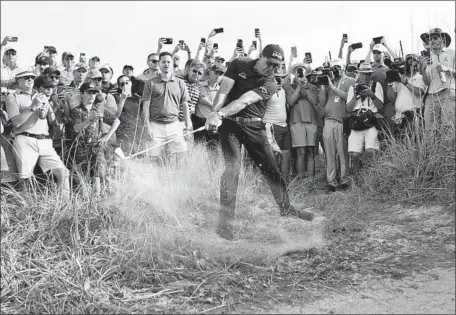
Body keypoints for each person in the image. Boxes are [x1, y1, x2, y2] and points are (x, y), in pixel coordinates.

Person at [205, 44, 315, 240]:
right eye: (269, 63)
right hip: (229, 126)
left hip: (254, 127)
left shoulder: (271, 82)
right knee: (232, 169)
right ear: (260, 56)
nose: (272, 69)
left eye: (276, 65)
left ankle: (286, 207)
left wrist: (219, 113)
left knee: (272, 169)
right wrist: (214, 114)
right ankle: (225, 224)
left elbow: (245, 101)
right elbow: (224, 90)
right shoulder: (239, 64)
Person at [4, 69, 70, 198]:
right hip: (25, 138)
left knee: (63, 172)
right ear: (18, 80)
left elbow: (48, 119)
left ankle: (65, 208)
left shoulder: (40, 95)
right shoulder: (13, 97)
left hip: (44, 140)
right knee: (26, 180)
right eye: (26, 77)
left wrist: (50, 108)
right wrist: (32, 107)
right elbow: (16, 123)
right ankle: (25, 211)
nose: (30, 79)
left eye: (32, 77)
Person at [66, 82, 120, 196]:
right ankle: (85, 203)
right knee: (83, 177)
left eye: (94, 93)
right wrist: (89, 120)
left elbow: (117, 121)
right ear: (82, 94)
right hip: (80, 148)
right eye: (88, 93)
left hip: (96, 147)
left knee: (98, 174)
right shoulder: (76, 111)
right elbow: (76, 128)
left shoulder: (98, 110)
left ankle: (98, 200)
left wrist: (107, 136)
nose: (91, 96)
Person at [141, 52, 191, 163]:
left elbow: (185, 105)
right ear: (159, 63)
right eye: (163, 62)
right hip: (155, 125)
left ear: (172, 63)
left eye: (169, 62)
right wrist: (147, 127)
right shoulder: (150, 83)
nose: (166, 64)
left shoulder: (180, 83)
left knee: (181, 158)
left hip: (174, 124)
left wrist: (187, 126)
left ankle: (176, 179)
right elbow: (145, 107)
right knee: (153, 159)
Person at [320, 59, 356, 191]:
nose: (336, 70)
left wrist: (333, 87)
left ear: (344, 68)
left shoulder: (350, 81)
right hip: (328, 120)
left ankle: (344, 179)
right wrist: (323, 86)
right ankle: (331, 181)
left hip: (342, 121)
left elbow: (349, 97)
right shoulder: (329, 81)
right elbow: (322, 102)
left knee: (342, 152)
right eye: (333, 68)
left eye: (338, 67)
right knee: (329, 153)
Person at [346, 63, 384, 176]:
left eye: (368, 74)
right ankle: (358, 178)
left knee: (370, 151)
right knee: (354, 154)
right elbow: (348, 108)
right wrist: (356, 95)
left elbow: (380, 106)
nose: (365, 77)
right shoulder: (353, 87)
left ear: (371, 75)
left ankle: (372, 175)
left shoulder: (376, 85)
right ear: (359, 74)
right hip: (357, 121)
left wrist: (371, 95)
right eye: (363, 74)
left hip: (371, 121)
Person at [284, 62, 320, 180]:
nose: (300, 72)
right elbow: (290, 102)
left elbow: (315, 102)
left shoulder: (313, 87)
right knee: (300, 152)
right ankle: (301, 180)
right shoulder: (289, 86)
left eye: (302, 70)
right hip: (296, 121)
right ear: (294, 73)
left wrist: (306, 87)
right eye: (297, 70)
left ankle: (310, 180)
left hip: (311, 121)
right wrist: (299, 86)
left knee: (310, 151)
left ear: (306, 72)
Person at [419, 27, 455, 135]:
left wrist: (447, 69)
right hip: (431, 95)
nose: (432, 40)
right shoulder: (427, 57)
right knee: (429, 129)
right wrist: (423, 70)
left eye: (435, 37)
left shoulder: (451, 53)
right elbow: (427, 82)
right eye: (429, 39)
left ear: (442, 39)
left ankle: (447, 151)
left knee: (447, 126)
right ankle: (431, 151)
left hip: (448, 92)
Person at [263, 67, 292, 183]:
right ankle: (273, 181)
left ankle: (284, 181)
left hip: (284, 126)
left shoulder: (283, 91)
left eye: (280, 78)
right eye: (276, 78)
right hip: (272, 125)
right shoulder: (266, 91)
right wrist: (271, 91)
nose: (279, 81)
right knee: (274, 155)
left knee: (286, 154)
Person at [194, 64, 224, 147]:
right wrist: (213, 105)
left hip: (213, 123)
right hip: (199, 121)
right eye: (216, 73)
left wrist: (209, 103)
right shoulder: (199, 85)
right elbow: (200, 99)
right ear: (211, 73)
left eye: (220, 74)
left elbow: (220, 106)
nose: (218, 76)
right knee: (198, 148)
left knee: (213, 149)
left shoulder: (222, 91)